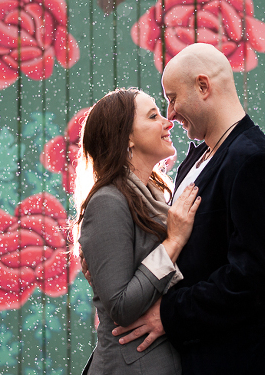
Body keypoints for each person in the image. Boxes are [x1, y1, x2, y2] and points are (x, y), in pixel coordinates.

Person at [112, 43, 265, 374]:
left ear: (203, 86)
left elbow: (256, 281)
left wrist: (169, 313)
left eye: (172, 98)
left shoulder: (254, 162)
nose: (170, 114)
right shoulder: (196, 160)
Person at [76, 88, 201, 375]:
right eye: (153, 116)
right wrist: (174, 241)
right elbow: (121, 305)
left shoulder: (153, 196)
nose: (168, 122)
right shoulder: (107, 201)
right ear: (127, 137)